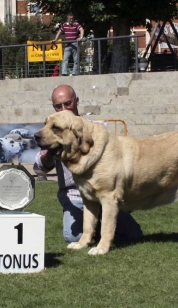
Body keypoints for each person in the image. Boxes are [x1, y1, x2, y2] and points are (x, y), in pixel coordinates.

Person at [34, 84, 142, 243]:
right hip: (75, 196)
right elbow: (39, 168)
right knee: (73, 236)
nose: (64, 108)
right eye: (58, 106)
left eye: (68, 103)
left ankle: (104, 223)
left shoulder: (97, 128)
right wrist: (48, 155)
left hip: (102, 192)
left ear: (76, 101)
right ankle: (97, 228)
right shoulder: (52, 128)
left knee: (134, 235)